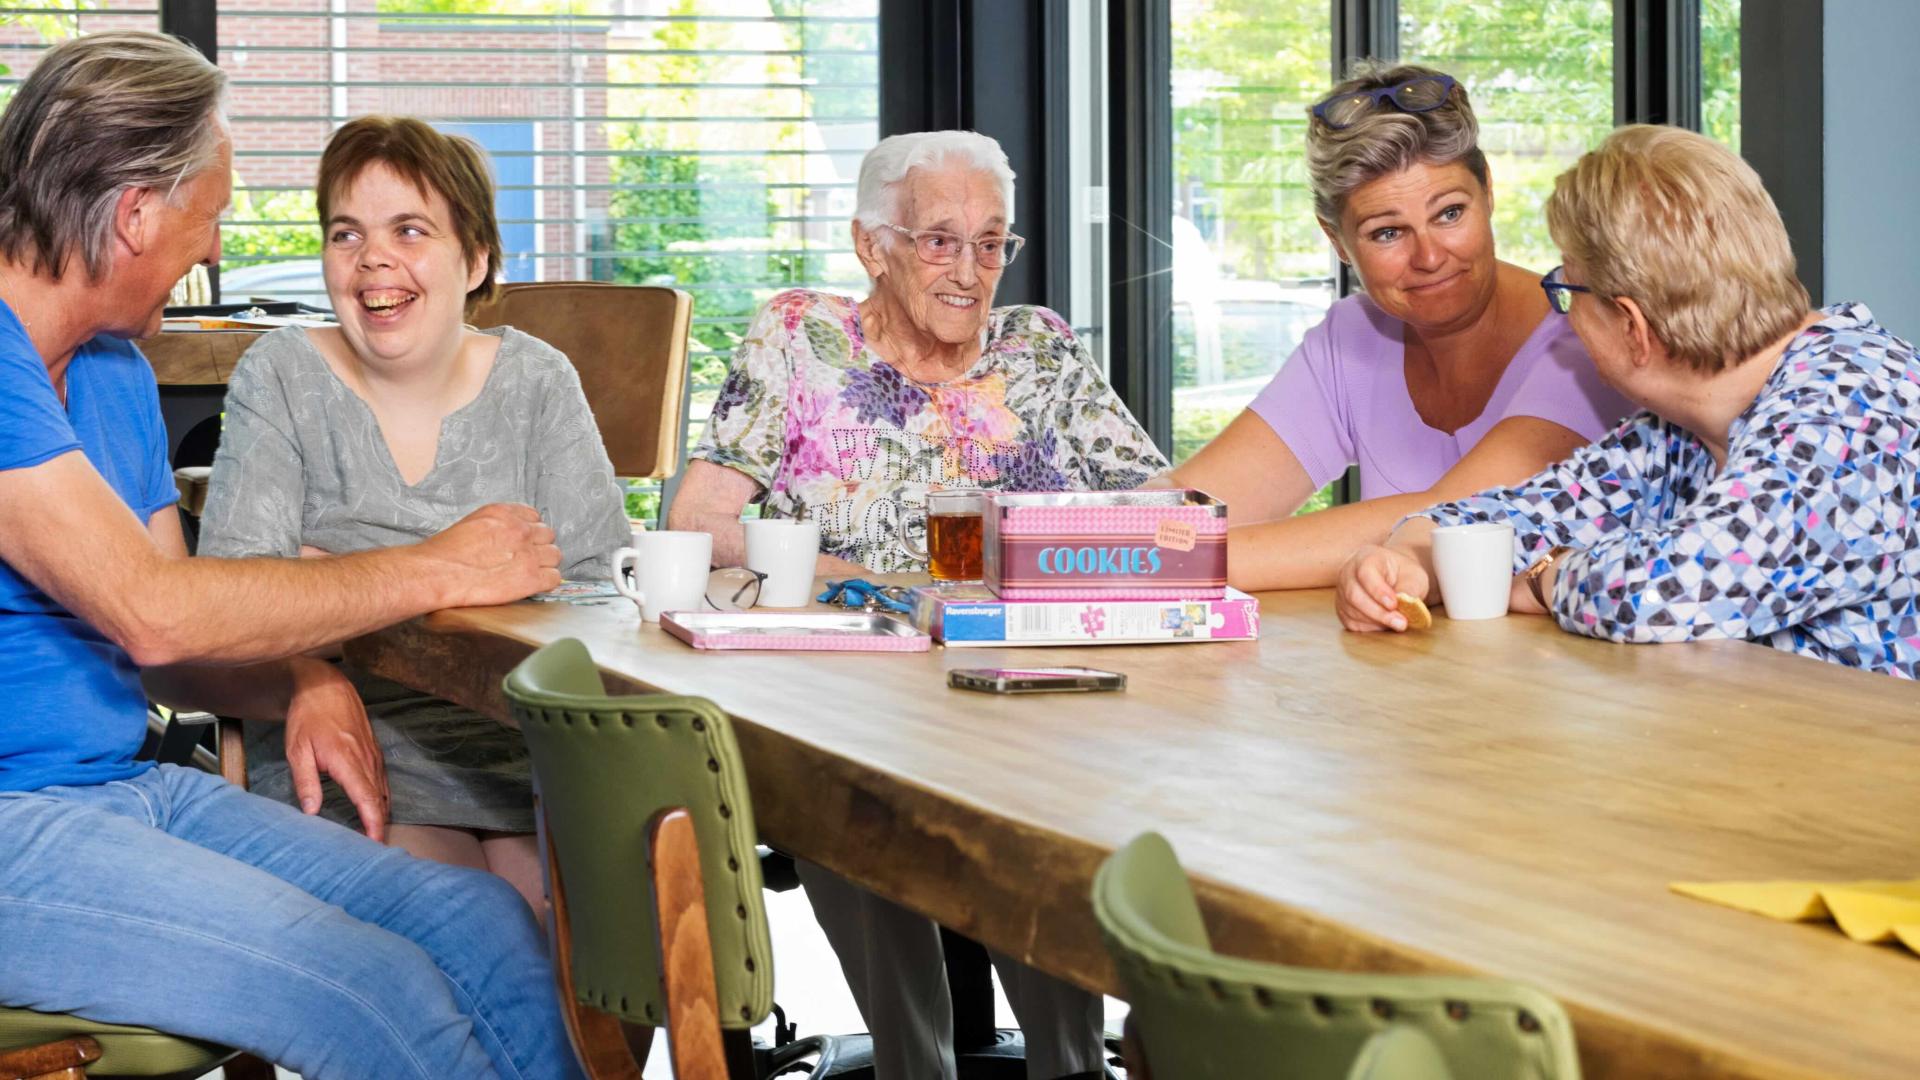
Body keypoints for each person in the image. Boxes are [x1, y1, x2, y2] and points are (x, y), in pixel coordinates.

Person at [0, 32, 581, 1078]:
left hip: (118, 792)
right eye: (207, 214)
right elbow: (154, 612)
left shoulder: (112, 371)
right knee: (371, 987)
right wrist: (440, 566)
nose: (211, 249)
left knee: (483, 924)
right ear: (135, 213)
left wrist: (301, 676)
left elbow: (174, 657)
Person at [671, 130, 1159, 1079]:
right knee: (850, 787)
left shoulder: (1041, 351)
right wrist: (881, 590)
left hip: (1017, 687)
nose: (970, 270)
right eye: (940, 240)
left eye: (991, 242)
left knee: (1033, 789)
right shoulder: (801, 338)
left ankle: (1072, 1067)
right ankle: (914, 1063)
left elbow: (1159, 510)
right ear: (872, 246)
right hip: (846, 686)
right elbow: (702, 520)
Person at [197, 115, 630, 913]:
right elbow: (235, 603)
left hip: (526, 747)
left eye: (410, 229)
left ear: (478, 258)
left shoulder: (538, 380)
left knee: (610, 947)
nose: (374, 260)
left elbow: (599, 595)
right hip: (350, 734)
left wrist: (328, 578)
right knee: (470, 924)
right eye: (345, 233)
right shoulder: (283, 374)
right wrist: (473, 572)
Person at [1335, 125, 1919, 681]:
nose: (1566, 320)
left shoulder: (1856, 405)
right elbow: (1523, 514)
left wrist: (1548, 579)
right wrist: (1409, 555)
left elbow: (1672, 590)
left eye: (1568, 290)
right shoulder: (1678, 431)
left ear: (1632, 327)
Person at [1165, 63, 1632, 591]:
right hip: (1397, 670)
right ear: (1337, 241)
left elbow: (1454, 522)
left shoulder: (1581, 344)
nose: (1430, 256)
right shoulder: (1355, 337)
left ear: (1489, 193)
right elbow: (1193, 500)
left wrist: (1162, 559)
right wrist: (1090, 541)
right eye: (1387, 232)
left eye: (1450, 213)